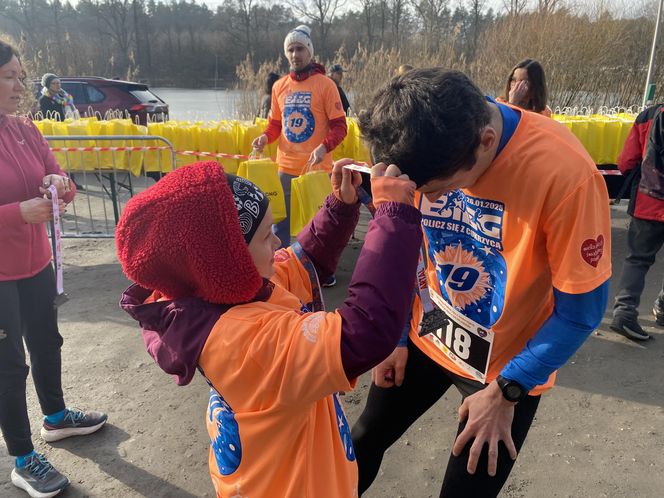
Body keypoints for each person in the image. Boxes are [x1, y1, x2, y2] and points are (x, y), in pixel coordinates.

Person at [350, 68, 612, 497]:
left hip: (505, 368)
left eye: (441, 189)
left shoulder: (566, 175)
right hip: (430, 330)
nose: (431, 200)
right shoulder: (423, 136)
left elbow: (580, 313)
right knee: (361, 443)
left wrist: (510, 390)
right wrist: (396, 336)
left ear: (486, 142)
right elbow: (412, 247)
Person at [117, 159, 422, 497]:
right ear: (230, 264)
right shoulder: (241, 342)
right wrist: (393, 218)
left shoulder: (228, 293)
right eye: (266, 236)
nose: (278, 244)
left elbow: (304, 262)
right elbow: (363, 332)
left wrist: (339, 206)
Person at [0, 41, 107, 498]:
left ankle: (56, 417)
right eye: (9, 76)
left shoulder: (25, 129)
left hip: (37, 264)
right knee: (7, 367)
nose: (20, 85)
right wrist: (15, 214)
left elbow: (64, 184)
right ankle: (22, 458)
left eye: (21, 76)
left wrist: (59, 184)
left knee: (47, 341)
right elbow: (18, 209)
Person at [251, 25, 347, 252]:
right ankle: (280, 266)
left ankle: (321, 269)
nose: (295, 54)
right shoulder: (279, 86)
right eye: (291, 50)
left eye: (300, 49)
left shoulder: (326, 84)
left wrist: (324, 148)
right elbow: (275, 124)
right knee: (280, 223)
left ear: (309, 52)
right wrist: (265, 137)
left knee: (317, 224)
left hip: (317, 167)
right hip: (285, 167)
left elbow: (340, 127)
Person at [610, 103, 664, 341]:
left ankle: (624, 312)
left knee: (637, 260)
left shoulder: (648, 116)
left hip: (647, 202)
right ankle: (662, 308)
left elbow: (626, 162)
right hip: (649, 204)